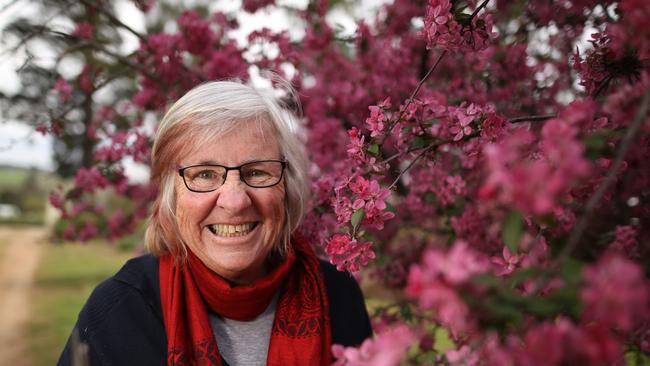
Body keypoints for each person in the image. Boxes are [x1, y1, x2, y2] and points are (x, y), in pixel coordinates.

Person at [57, 80, 372, 366]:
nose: (235, 201)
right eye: (204, 175)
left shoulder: (338, 295)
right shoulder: (121, 313)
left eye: (257, 172)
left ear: (288, 186)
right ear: (171, 194)